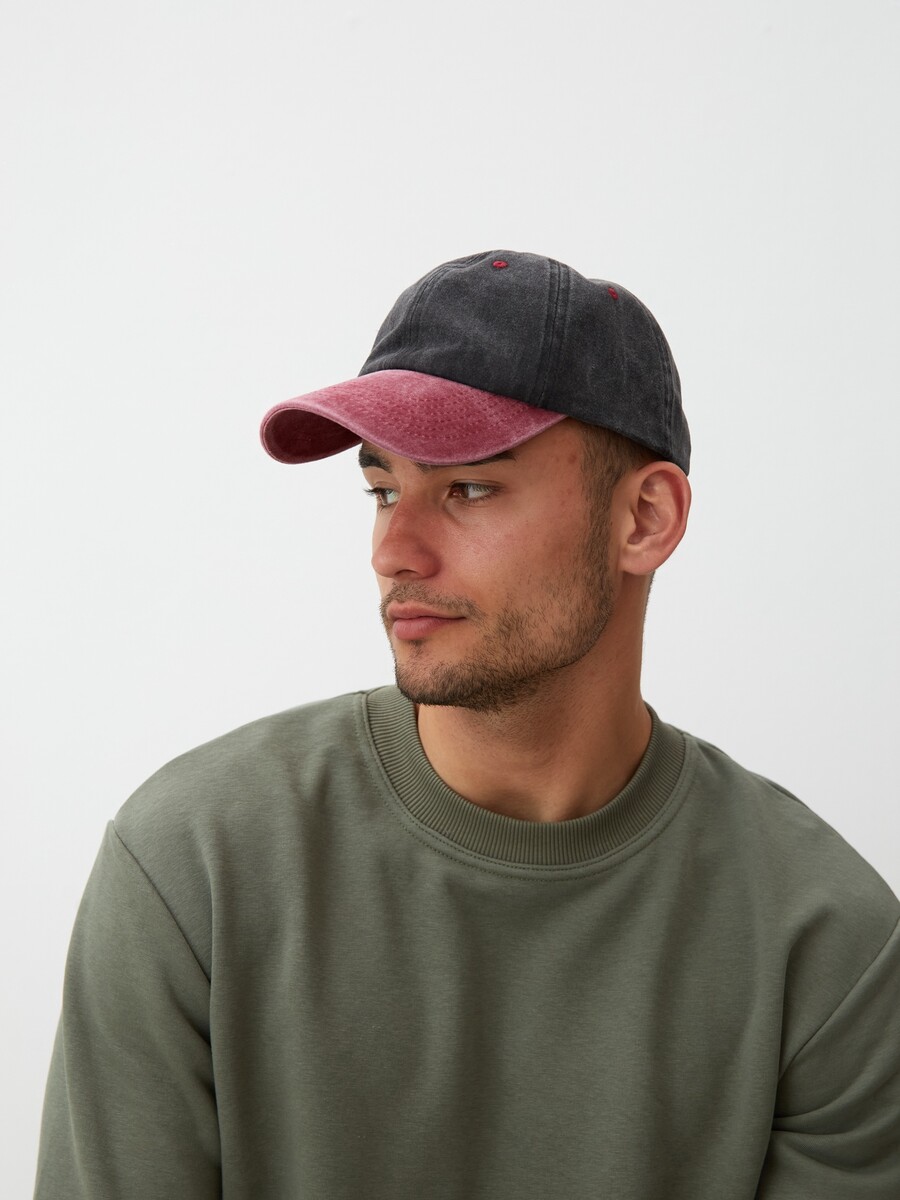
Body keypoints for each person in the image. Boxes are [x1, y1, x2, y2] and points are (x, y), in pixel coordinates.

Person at [35, 250, 900, 1199]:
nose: (394, 551)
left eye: (468, 489)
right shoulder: (194, 866)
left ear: (645, 519)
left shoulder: (827, 946)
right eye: (382, 490)